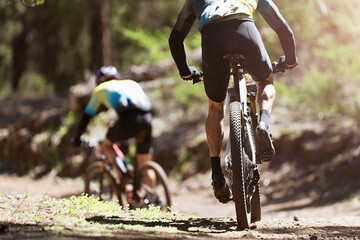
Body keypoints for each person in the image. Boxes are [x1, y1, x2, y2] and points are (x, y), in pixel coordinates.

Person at [168, 0, 298, 203]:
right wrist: (290, 59)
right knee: (265, 81)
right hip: (244, 29)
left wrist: (185, 72)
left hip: (212, 38)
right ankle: (263, 124)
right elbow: (282, 28)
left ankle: (216, 175)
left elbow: (175, 38)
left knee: (215, 106)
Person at [72, 66, 155, 185]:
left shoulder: (100, 89)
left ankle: (124, 174)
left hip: (128, 119)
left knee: (106, 144)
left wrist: (77, 138)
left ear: (99, 80)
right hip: (147, 119)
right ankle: (154, 198)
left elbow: (86, 117)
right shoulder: (131, 83)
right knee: (145, 166)